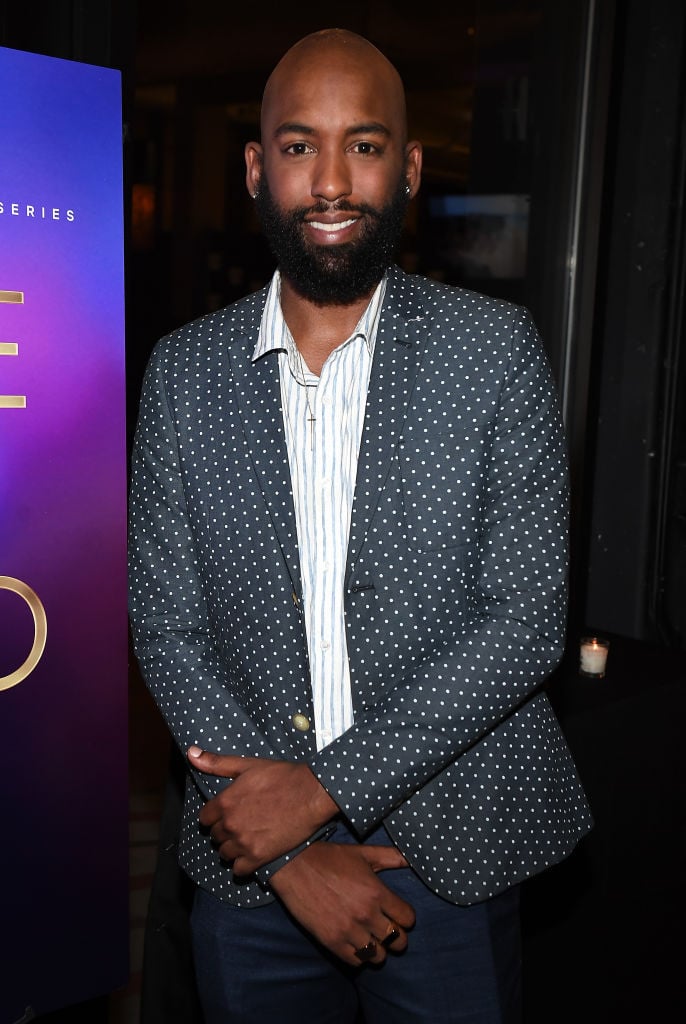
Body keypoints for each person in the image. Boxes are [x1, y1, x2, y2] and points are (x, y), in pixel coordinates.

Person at [128, 28, 592, 1024]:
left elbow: (525, 619)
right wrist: (290, 846)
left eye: (365, 146)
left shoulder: (493, 350)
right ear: (256, 169)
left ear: (409, 168)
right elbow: (167, 629)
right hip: (252, 864)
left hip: (450, 854)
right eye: (299, 146)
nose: (332, 181)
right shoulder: (182, 373)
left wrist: (322, 789)